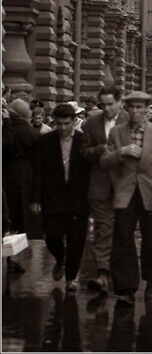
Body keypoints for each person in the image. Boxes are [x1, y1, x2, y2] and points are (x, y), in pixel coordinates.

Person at [100, 91, 152, 307]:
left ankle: (151, 279)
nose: (135, 111)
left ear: (147, 109)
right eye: (131, 107)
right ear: (126, 109)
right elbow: (104, 161)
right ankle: (126, 289)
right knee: (123, 240)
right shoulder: (117, 133)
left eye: (139, 107)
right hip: (125, 195)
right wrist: (121, 152)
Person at [31, 103, 91, 292]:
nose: (63, 128)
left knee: (77, 239)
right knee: (52, 235)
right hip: (53, 196)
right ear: (54, 122)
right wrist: (35, 199)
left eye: (67, 123)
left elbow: (90, 171)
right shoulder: (45, 141)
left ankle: (71, 278)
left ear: (74, 121)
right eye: (59, 124)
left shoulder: (84, 141)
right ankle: (60, 258)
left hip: (78, 198)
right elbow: (37, 172)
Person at [81, 85, 129, 295]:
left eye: (111, 104)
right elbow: (83, 153)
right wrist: (99, 150)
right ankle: (102, 274)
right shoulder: (91, 123)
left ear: (120, 102)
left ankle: (116, 275)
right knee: (103, 228)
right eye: (103, 105)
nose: (107, 109)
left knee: (121, 232)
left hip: (125, 186)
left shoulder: (131, 120)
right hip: (99, 185)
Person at [2, 98, 40, 273]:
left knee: (9, 216)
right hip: (28, 176)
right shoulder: (32, 133)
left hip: (7, 175)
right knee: (22, 218)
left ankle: (10, 256)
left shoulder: (6, 129)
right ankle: (14, 256)